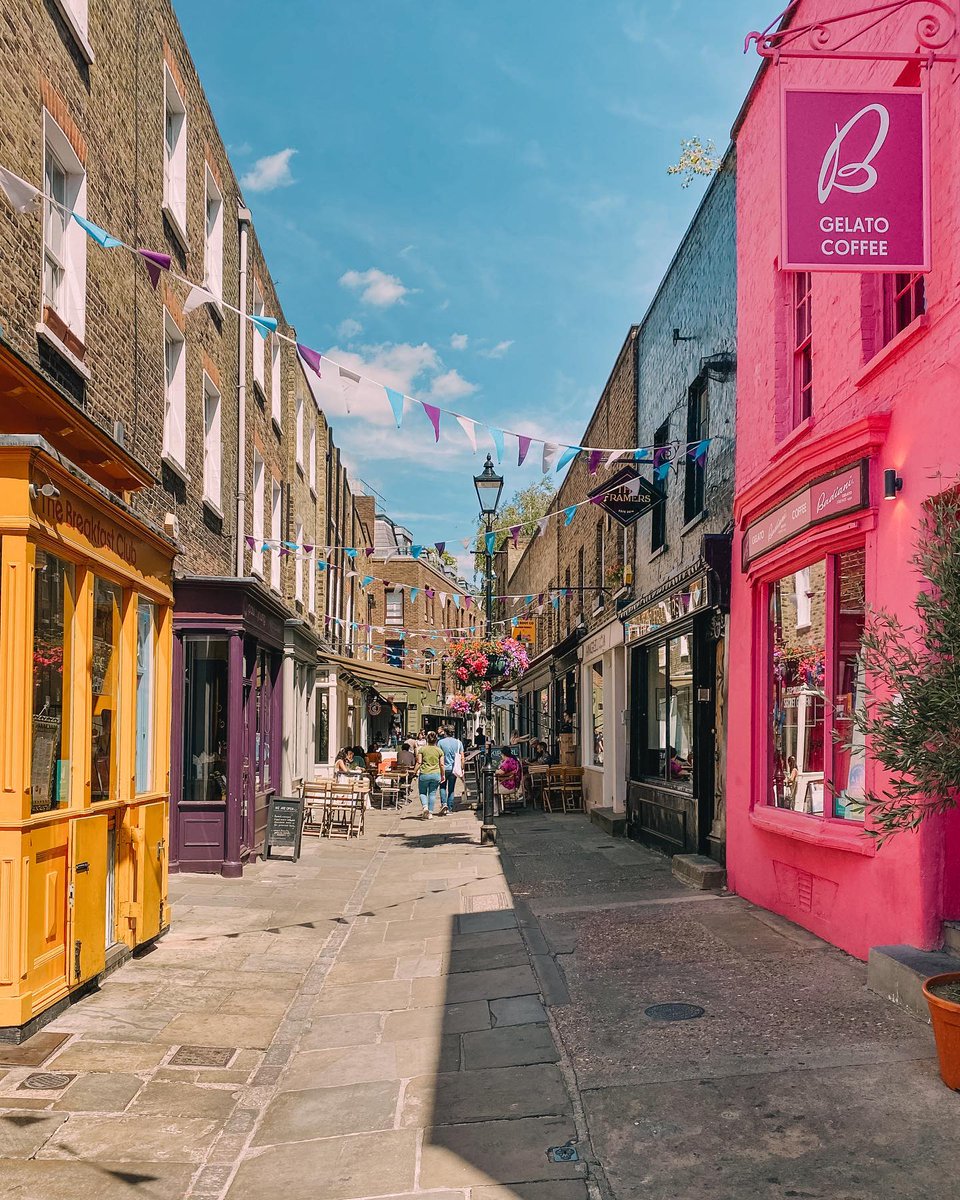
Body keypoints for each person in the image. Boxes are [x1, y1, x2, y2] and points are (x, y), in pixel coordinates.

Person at [416, 730, 445, 820]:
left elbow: (419, 762)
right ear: (436, 740)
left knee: (422, 792)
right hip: (436, 774)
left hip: (424, 773)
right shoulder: (439, 750)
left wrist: (414, 771)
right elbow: (442, 764)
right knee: (432, 794)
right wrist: (443, 775)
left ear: (427, 740)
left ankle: (425, 807)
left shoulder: (422, 749)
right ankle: (431, 813)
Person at [437, 726, 464, 816]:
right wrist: (462, 768)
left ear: (445, 732)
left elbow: (438, 756)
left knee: (442, 787)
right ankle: (450, 808)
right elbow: (462, 757)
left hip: (443, 768)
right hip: (454, 768)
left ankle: (444, 804)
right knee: (451, 789)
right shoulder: (458, 743)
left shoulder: (440, 742)